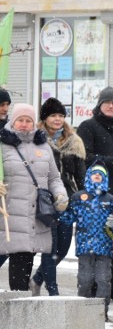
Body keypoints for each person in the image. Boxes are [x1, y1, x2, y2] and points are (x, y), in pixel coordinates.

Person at [76, 87, 113, 302]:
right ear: (99, 104)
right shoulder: (88, 127)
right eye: (107, 102)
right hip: (98, 195)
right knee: (101, 240)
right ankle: (94, 285)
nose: (111, 106)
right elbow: (85, 158)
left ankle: (112, 282)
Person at [0, 104, 67, 291]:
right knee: (19, 262)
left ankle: (19, 307)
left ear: (34, 123)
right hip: (10, 215)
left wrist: (60, 194)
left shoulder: (43, 146)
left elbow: (54, 177)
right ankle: (17, 306)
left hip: (35, 215)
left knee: (25, 262)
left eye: (28, 121)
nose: (24, 124)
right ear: (13, 122)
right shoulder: (2, 145)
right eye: (20, 120)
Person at [30, 98, 86, 296]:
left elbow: (80, 176)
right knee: (50, 247)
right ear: (45, 118)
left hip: (67, 201)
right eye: (54, 115)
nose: (58, 119)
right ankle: (53, 292)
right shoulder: (35, 139)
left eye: (61, 116)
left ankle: (37, 279)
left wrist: (82, 198)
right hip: (44, 200)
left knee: (62, 248)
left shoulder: (74, 142)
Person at [59, 162, 113, 321]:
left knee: (103, 280)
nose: (97, 176)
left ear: (105, 178)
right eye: (94, 173)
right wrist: (60, 210)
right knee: (85, 279)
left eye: (100, 174)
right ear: (88, 176)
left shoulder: (110, 200)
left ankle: (101, 312)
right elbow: (68, 218)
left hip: (104, 247)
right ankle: (82, 310)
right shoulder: (79, 197)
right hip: (85, 245)